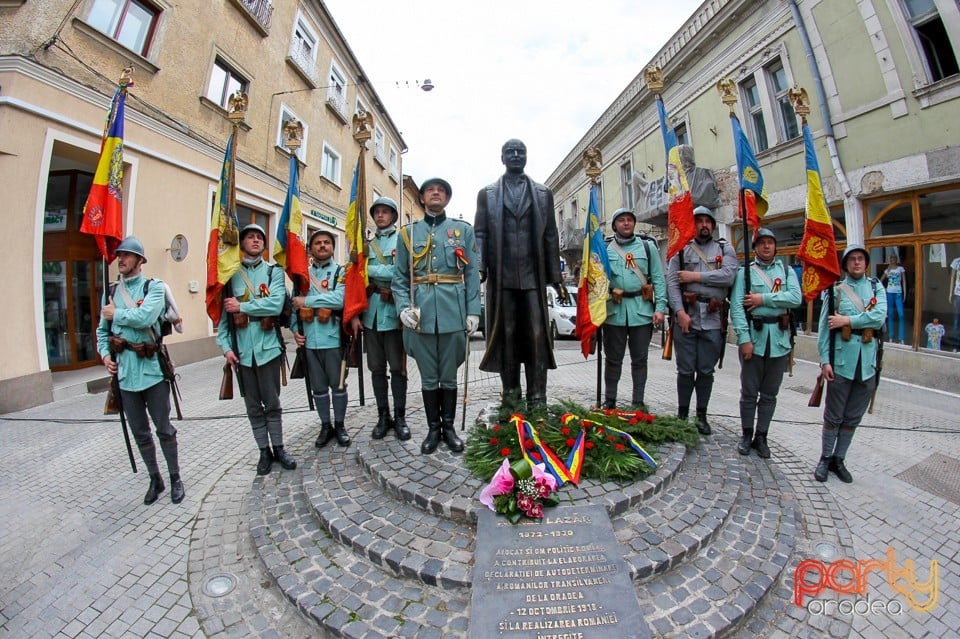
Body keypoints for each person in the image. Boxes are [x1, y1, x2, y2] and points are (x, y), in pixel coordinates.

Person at [393, 177, 480, 454]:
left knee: (450, 376)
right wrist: (402, 308)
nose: (436, 193)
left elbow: (471, 274)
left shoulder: (462, 231)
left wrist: (473, 311)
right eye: (430, 190)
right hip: (422, 315)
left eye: (441, 191)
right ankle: (433, 429)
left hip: (453, 312)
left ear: (447, 198)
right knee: (429, 377)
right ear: (421, 198)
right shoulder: (408, 233)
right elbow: (399, 277)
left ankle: (449, 427)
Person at [474, 139, 563, 407]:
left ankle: (538, 396)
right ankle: (511, 395)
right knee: (507, 335)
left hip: (533, 277)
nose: (515, 155)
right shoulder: (487, 193)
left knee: (537, 335)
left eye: (520, 152)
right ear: (502, 157)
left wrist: (555, 277)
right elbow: (480, 232)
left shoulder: (542, 192)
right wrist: (480, 267)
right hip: (502, 278)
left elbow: (550, 234)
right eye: (510, 152)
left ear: (526, 156)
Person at [96, 236, 184, 505]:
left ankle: (175, 478)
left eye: (126, 255)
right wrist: (104, 355)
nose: (120, 259)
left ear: (140, 260)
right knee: (139, 431)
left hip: (152, 373)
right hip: (125, 376)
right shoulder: (110, 292)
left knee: (164, 428)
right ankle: (154, 478)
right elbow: (102, 331)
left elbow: (146, 317)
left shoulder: (153, 287)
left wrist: (117, 315)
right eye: (119, 255)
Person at [216, 223, 297, 475]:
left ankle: (280, 448)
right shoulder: (230, 276)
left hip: (269, 348)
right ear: (241, 244)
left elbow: (274, 305)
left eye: (259, 237)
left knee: (272, 403)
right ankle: (264, 452)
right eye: (250, 237)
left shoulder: (273, 272)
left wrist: (242, 307)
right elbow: (222, 322)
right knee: (253, 407)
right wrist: (226, 348)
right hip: (242, 354)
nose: (255, 240)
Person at [814, 244, 886, 483]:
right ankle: (825, 458)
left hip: (867, 364)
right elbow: (824, 328)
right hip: (841, 360)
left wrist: (847, 320)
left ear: (866, 263)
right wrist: (824, 360)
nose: (857, 263)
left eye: (861, 259)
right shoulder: (835, 291)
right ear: (845, 264)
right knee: (833, 416)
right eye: (852, 259)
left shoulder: (877, 287)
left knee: (853, 416)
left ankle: (839, 459)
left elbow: (878, 318)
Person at [729, 229, 801, 458]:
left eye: (770, 242)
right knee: (749, 392)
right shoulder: (745, 273)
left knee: (770, 394)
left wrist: (763, 299)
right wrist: (744, 339)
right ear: (755, 247)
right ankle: (747, 434)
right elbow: (737, 307)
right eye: (762, 243)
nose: (766, 247)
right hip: (754, 338)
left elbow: (795, 298)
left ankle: (762, 436)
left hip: (779, 341)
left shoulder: (787, 271)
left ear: (775, 246)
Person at [666, 206, 737, 434]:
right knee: (685, 371)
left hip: (714, 319)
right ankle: (682, 415)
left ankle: (701, 416)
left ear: (713, 226)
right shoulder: (680, 250)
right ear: (692, 224)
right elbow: (673, 284)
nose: (704, 225)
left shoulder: (725, 248)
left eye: (708, 221)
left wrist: (695, 276)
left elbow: (728, 276)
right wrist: (679, 312)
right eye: (699, 221)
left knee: (706, 371)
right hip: (687, 317)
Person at [602, 208, 667, 409]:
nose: (626, 223)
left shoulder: (648, 248)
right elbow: (597, 281)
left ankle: (637, 402)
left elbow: (658, 278)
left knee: (640, 360)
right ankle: (610, 400)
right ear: (614, 225)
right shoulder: (605, 249)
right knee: (613, 360)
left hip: (642, 311)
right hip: (614, 311)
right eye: (621, 220)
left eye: (630, 220)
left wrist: (660, 308)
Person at [293, 229, 350, 448]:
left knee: (338, 386)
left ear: (333, 247)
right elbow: (293, 305)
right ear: (311, 247)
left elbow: (339, 299)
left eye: (327, 242)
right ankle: (325, 426)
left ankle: (340, 425)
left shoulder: (340, 272)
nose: (323, 246)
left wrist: (307, 301)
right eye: (318, 243)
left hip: (334, 338)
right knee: (318, 388)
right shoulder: (302, 274)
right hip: (309, 340)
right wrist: (295, 331)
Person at [360, 197, 410, 441]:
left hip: (393, 313)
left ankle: (400, 417)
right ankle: (383, 416)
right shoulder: (366, 244)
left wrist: (369, 270)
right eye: (377, 212)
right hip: (371, 314)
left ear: (393, 216)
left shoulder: (402, 240)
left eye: (385, 212)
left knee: (398, 369)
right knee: (376, 369)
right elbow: (355, 276)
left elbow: (401, 271)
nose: (380, 216)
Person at [880, 252, 906, 343]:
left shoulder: (900, 269)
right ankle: (891, 336)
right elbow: (880, 281)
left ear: (896, 259)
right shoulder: (888, 270)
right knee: (890, 314)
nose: (892, 259)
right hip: (889, 293)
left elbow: (904, 281)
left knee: (901, 315)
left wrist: (905, 293)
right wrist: (883, 291)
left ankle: (901, 337)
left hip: (898, 293)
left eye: (894, 258)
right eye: (891, 258)